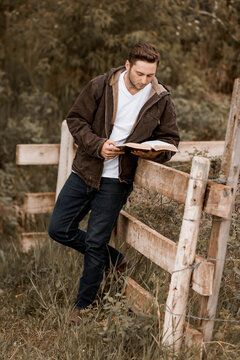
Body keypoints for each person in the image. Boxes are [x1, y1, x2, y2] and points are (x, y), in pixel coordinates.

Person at [48, 42, 180, 324]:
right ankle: (115, 258)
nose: (145, 80)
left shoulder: (160, 97)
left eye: (150, 75)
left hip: (118, 180)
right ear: (128, 64)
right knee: (58, 228)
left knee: (95, 242)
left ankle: (83, 309)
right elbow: (76, 120)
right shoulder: (101, 85)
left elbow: (171, 139)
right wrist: (98, 145)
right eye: (140, 74)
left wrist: (156, 151)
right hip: (86, 170)